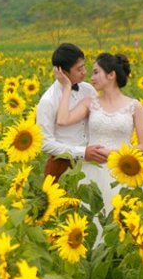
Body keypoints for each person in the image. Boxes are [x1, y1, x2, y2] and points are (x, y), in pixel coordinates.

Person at [54, 52, 143, 244]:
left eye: (96, 72)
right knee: (91, 223)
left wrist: (115, 154)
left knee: (124, 227)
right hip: (93, 173)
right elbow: (63, 119)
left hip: (122, 173)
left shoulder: (134, 106)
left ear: (111, 75)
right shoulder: (91, 103)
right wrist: (66, 88)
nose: (91, 77)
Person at [36, 43, 110, 182]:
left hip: (92, 162)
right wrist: (82, 153)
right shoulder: (48, 100)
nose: (84, 72)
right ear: (63, 72)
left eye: (83, 66)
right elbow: (45, 143)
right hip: (62, 165)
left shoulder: (88, 89)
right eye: (79, 69)